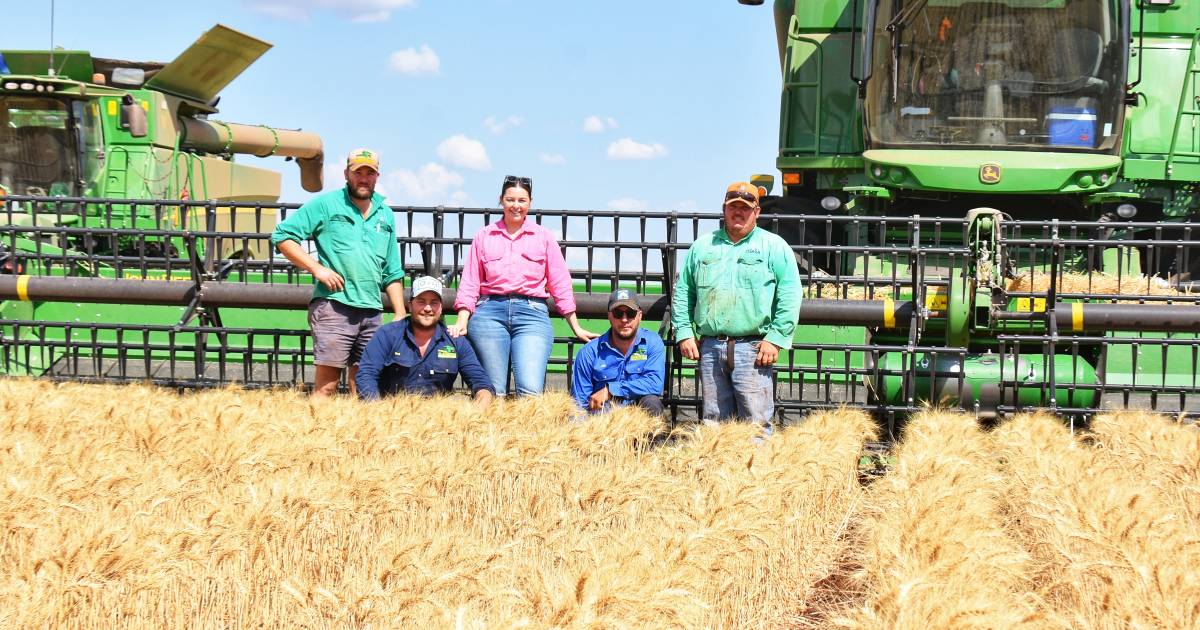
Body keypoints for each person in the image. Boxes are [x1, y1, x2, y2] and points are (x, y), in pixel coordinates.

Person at [271, 148, 405, 397]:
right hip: (335, 306)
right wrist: (317, 268)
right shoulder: (327, 204)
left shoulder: (385, 214)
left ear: (377, 176)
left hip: (372, 311)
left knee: (364, 387)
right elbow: (282, 236)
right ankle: (318, 435)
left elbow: (392, 269)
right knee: (327, 387)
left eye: (370, 173)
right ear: (346, 174)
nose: (363, 178)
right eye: (358, 172)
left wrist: (399, 312)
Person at [447, 175, 597, 395]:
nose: (516, 206)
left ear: (530, 203)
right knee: (492, 391)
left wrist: (575, 325)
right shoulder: (484, 236)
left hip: (532, 313)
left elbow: (560, 282)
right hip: (489, 312)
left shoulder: (543, 237)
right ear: (501, 200)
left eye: (521, 200)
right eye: (510, 200)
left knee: (530, 391)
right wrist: (462, 321)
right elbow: (470, 281)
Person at [671, 181, 802, 429]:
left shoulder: (774, 247)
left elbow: (790, 294)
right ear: (724, 210)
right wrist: (685, 332)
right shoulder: (702, 247)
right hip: (709, 346)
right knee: (714, 423)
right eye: (733, 207)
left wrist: (775, 338)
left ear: (757, 211)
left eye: (745, 207)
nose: (738, 212)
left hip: (753, 348)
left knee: (756, 424)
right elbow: (683, 291)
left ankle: (756, 468)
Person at [355, 275, 494, 406]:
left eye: (434, 303)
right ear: (410, 305)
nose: (428, 308)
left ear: (440, 308)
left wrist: (479, 409)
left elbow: (482, 383)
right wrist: (377, 412)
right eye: (421, 301)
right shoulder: (387, 334)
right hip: (393, 417)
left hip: (439, 420)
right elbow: (366, 375)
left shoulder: (456, 341)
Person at [570, 288, 666, 416]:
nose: (624, 320)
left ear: (640, 315)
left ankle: (653, 437)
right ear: (609, 316)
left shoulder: (652, 343)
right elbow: (579, 404)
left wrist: (611, 390)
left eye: (630, 313)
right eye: (618, 313)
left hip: (638, 417)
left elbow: (655, 384)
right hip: (601, 420)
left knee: (652, 402)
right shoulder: (588, 352)